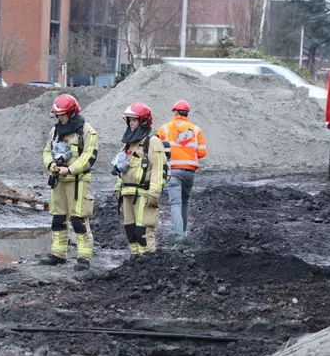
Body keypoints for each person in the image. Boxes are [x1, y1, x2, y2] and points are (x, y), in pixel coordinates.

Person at [40, 94, 99, 271]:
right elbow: (47, 150)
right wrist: (50, 165)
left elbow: (89, 156)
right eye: (57, 115)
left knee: (79, 219)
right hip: (59, 181)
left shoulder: (86, 131)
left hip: (78, 182)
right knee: (58, 218)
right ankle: (58, 254)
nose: (60, 118)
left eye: (62, 114)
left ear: (72, 113)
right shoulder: (55, 131)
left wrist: (70, 169)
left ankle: (83, 257)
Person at [111, 103, 167, 258]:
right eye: (129, 120)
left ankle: (147, 261)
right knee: (130, 228)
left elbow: (158, 168)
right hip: (127, 192)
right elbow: (123, 168)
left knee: (143, 229)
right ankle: (135, 259)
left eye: (134, 120)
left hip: (143, 193)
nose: (130, 123)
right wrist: (118, 188)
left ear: (143, 121)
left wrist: (154, 192)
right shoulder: (128, 144)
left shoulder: (152, 142)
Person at [156, 100, 207, 245]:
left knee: (175, 204)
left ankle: (179, 238)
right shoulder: (196, 130)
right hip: (190, 171)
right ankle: (183, 233)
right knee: (185, 202)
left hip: (173, 171)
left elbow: (156, 149)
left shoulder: (164, 129)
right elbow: (202, 151)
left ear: (175, 112)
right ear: (187, 113)